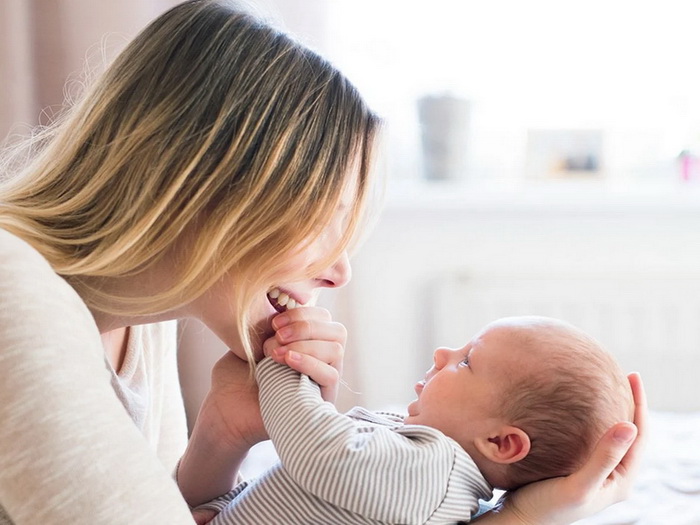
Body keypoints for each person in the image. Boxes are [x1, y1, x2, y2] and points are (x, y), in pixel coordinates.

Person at [0, 1, 645, 524]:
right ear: (216, 190)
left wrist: (224, 434)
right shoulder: (15, 292)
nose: (338, 273)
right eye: (326, 221)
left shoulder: (139, 315)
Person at [190, 314, 635, 524]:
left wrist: (283, 368)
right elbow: (292, 490)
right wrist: (222, 508)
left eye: (465, 362)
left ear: (501, 444)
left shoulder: (434, 473)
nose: (443, 354)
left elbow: (320, 451)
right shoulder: (416, 441)